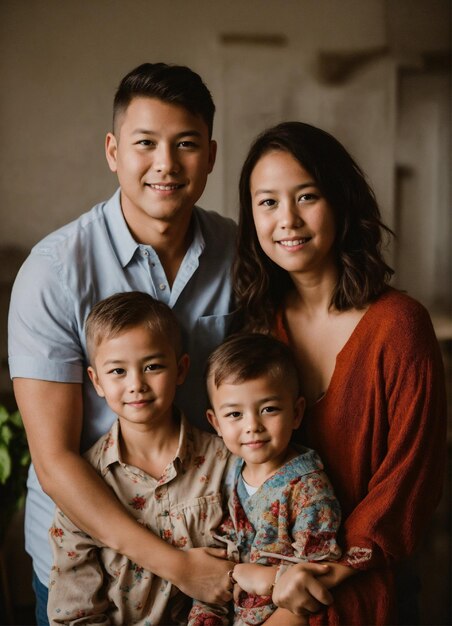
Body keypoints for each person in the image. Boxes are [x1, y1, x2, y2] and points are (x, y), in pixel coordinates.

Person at [8, 62, 237, 625]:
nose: (165, 163)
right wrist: (176, 565)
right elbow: (55, 457)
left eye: (186, 144)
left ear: (210, 155)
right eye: (145, 144)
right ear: (113, 151)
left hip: (209, 557)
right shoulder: (54, 272)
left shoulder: (241, 252)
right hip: (91, 572)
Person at [232, 121, 447, 624]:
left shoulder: (399, 326)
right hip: (268, 585)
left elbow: (411, 476)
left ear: (341, 201)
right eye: (267, 203)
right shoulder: (258, 327)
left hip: (361, 582)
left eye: (306, 197)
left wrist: (326, 572)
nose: (287, 220)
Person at [47, 291, 232, 625]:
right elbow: (75, 612)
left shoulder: (226, 462)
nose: (136, 384)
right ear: (96, 381)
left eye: (152, 366)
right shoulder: (85, 484)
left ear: (181, 369)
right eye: (117, 371)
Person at [188, 333, 342, 626]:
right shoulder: (231, 471)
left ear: (296, 413)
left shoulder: (309, 489)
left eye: (269, 409)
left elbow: (318, 573)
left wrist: (268, 577)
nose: (252, 426)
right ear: (216, 423)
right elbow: (225, 544)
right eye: (234, 414)